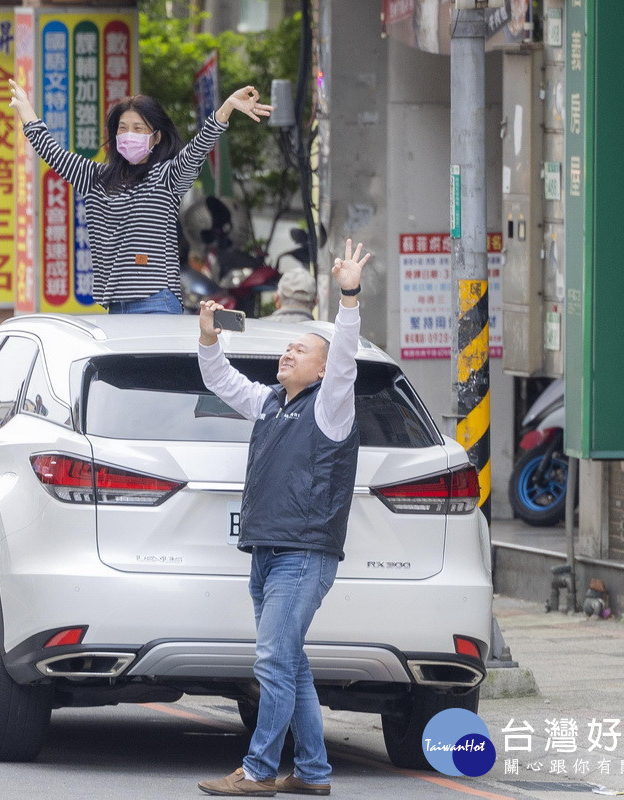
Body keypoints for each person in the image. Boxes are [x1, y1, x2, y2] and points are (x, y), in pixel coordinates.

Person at [196, 239, 371, 797]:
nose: (288, 355)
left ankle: (259, 770)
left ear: (323, 371)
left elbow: (345, 354)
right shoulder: (271, 401)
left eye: (301, 351)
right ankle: (314, 774)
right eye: (286, 349)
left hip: (303, 555)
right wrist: (207, 338)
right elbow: (222, 381)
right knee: (290, 666)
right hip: (268, 551)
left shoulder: (331, 406)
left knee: (272, 662)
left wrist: (348, 295)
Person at [8, 79, 271, 313]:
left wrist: (225, 109)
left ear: (156, 138)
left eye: (138, 128)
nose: (128, 135)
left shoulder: (167, 177)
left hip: (156, 300)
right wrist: (27, 114)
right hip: (116, 304)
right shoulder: (95, 178)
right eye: (122, 128)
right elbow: (53, 152)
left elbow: (197, 149)